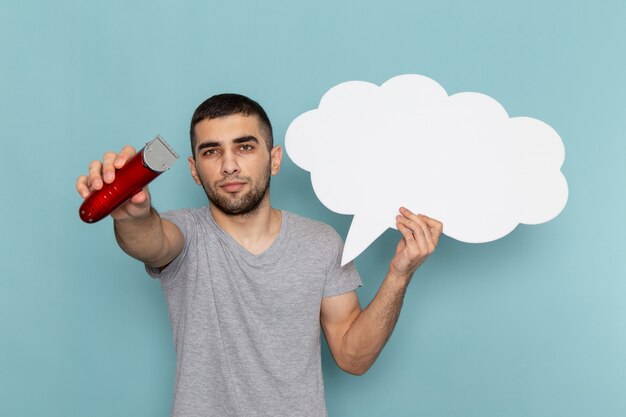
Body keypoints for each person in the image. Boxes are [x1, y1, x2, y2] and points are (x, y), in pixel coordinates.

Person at [76, 93, 443, 417]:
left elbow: (352, 356)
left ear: (274, 159)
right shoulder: (185, 234)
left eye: (245, 147)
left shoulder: (320, 242)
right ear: (194, 169)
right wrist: (133, 215)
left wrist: (399, 274)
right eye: (211, 151)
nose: (229, 165)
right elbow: (149, 240)